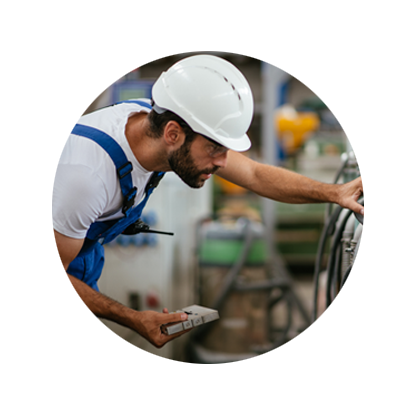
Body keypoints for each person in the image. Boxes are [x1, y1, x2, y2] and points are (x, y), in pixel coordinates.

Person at [52, 54, 364, 364]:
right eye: (215, 149)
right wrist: (134, 318)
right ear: (173, 134)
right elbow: (51, 278)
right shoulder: (87, 176)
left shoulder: (159, 124)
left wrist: (335, 192)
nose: (223, 163)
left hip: (78, 265)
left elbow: (254, 174)